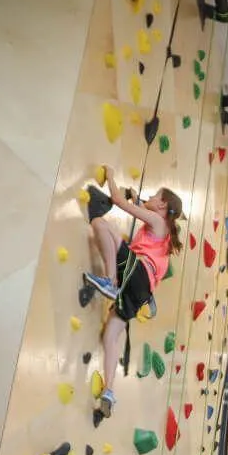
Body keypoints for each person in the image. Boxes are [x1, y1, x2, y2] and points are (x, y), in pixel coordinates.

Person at [83, 172, 182, 417]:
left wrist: (112, 176)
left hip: (137, 273)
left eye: (155, 196)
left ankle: (110, 281)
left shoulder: (159, 223)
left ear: (162, 205)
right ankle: (109, 390)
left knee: (99, 224)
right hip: (141, 293)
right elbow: (139, 206)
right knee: (111, 336)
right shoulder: (162, 229)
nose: (150, 196)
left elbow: (118, 200)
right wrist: (139, 199)